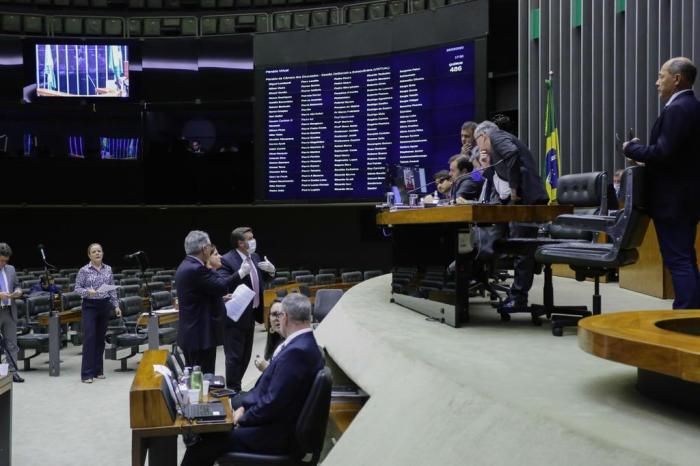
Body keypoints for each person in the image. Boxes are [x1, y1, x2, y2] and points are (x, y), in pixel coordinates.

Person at [181, 293, 324, 466]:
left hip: (275, 437)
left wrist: (243, 418)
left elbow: (273, 402)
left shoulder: (297, 351)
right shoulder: (304, 344)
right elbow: (270, 394)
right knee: (211, 431)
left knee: (205, 441)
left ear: (285, 317)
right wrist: (243, 407)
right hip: (275, 427)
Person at [623, 57, 700, 309]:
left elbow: (664, 152)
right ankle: (690, 311)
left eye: (661, 76)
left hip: (673, 200)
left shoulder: (678, 109)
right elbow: (678, 156)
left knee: (678, 258)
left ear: (676, 79)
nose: (657, 82)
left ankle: (686, 314)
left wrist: (632, 149)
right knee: (684, 256)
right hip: (684, 196)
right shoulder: (691, 106)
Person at [474, 121, 549, 312]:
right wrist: (486, 165)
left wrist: (514, 188)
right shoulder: (495, 150)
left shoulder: (496, 136)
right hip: (518, 202)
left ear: (483, 136)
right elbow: (499, 181)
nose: (478, 147)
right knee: (512, 246)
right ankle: (515, 295)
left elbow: (513, 154)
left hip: (526, 200)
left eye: (477, 142)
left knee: (522, 250)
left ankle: (519, 298)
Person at [219, 227, 276, 391]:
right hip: (235, 316)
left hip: (251, 314)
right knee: (234, 357)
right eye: (250, 238)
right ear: (240, 242)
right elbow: (223, 284)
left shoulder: (255, 256)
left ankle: (237, 387)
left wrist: (272, 272)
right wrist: (240, 273)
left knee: (245, 355)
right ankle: (232, 390)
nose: (253, 240)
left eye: (253, 237)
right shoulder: (227, 260)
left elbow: (259, 279)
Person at [175, 231, 236, 374]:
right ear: (204, 248)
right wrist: (210, 266)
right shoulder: (197, 269)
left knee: (196, 380)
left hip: (194, 333)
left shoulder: (186, 265)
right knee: (203, 381)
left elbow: (201, 295)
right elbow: (222, 286)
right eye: (210, 247)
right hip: (200, 336)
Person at [74, 243, 122, 383]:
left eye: (99, 251)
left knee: (100, 339)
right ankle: (87, 374)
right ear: (89, 255)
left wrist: (116, 305)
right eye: (94, 252)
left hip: (104, 305)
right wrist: (87, 292)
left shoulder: (108, 269)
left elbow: (112, 289)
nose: (97, 253)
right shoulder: (84, 270)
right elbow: (77, 288)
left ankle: (98, 370)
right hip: (89, 305)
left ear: (102, 253)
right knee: (90, 338)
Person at [0, 243, 24, 383]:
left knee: (12, 344)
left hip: (9, 310)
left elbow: (17, 285)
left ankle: (13, 372)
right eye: (1, 260)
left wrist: (18, 291)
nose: (3, 263)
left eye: (5, 261)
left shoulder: (11, 269)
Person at [254, 299, 285, 372]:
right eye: (274, 314)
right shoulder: (276, 342)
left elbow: (287, 380)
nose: (277, 318)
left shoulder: (293, 345)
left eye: (281, 314)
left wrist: (267, 369)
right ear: (269, 319)